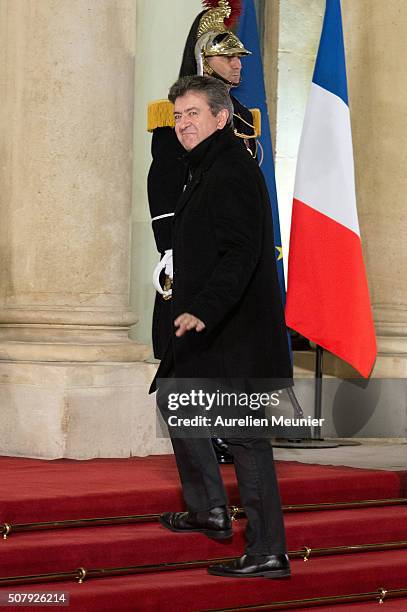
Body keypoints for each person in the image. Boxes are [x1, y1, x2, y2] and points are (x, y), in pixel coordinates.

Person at [152, 75, 292, 579]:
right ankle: (209, 509)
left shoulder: (230, 168)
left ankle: (267, 551)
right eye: (178, 115)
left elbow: (239, 255)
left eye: (193, 113)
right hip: (208, 333)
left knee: (247, 440)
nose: (184, 123)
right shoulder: (203, 168)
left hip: (235, 334)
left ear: (219, 117)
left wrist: (203, 308)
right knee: (176, 397)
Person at [148, 0, 260, 464]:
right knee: (193, 346)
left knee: (230, 343)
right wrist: (170, 249)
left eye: (238, 56)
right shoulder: (175, 115)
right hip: (192, 252)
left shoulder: (240, 116)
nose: (237, 63)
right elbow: (165, 186)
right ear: (203, 56)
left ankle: (230, 430)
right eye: (227, 54)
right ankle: (202, 435)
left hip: (231, 250)